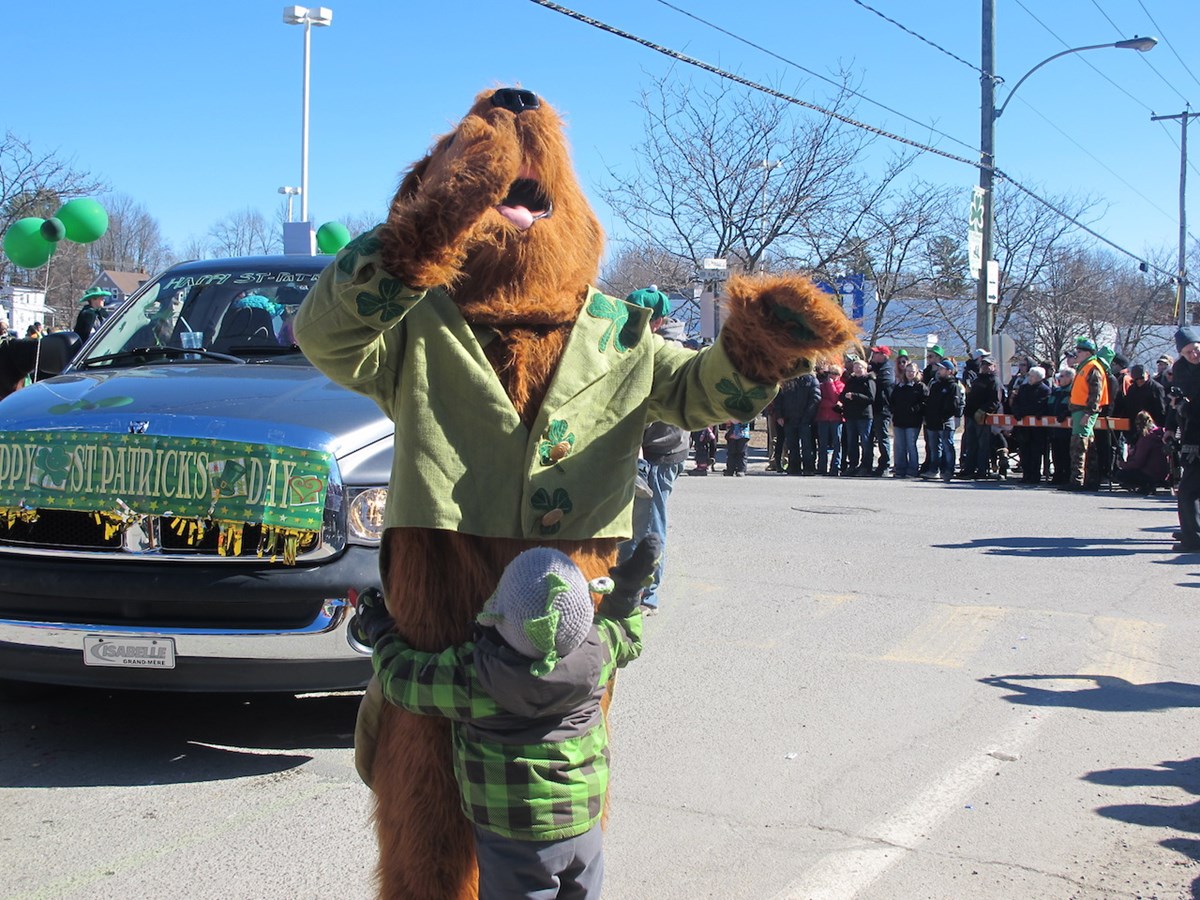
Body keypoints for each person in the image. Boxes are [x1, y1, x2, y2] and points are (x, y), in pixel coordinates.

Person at [351, 538, 658, 900]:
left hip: (515, 838)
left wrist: (379, 629)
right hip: (582, 827)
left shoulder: (478, 681)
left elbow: (402, 680)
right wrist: (629, 590)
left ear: (499, 615)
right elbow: (625, 632)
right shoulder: (597, 654)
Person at [618, 286, 690, 614]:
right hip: (648, 448)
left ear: (657, 322)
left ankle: (647, 595)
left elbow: (648, 406)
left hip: (660, 449)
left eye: (639, 316)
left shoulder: (667, 353)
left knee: (649, 525)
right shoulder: (637, 345)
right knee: (637, 524)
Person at [1059, 338, 1109, 492]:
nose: (1077, 354)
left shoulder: (1093, 367)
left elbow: (1096, 393)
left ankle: (1077, 481)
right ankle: (1091, 481)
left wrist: (1088, 413)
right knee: (1088, 446)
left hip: (1084, 411)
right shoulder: (1085, 366)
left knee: (1078, 446)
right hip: (1079, 411)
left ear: (1088, 353)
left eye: (1080, 351)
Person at [1170, 327, 1200, 551]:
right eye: (1188, 352)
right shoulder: (1180, 368)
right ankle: (1192, 530)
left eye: (1196, 350)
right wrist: (1170, 426)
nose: (1193, 355)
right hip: (1191, 430)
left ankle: (1193, 537)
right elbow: (1176, 398)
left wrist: (1185, 407)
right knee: (1192, 489)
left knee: (1188, 490)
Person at [960, 352, 1002, 478]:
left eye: (988, 365)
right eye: (983, 364)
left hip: (983, 418)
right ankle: (969, 469)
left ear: (994, 366)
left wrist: (984, 410)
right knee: (971, 444)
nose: (985, 367)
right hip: (971, 416)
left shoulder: (994, 381)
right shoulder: (978, 379)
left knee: (983, 445)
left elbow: (995, 401)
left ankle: (982, 470)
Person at [922, 358, 963, 481]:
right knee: (934, 447)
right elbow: (929, 402)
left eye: (942, 369)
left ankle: (948, 470)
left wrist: (945, 415)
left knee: (947, 446)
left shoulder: (953, 386)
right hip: (933, 421)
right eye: (939, 368)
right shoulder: (935, 385)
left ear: (949, 371)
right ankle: (934, 469)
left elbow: (954, 405)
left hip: (946, 421)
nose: (939, 371)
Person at [1113, 411, 1170, 495]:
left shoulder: (1146, 438)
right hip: (1163, 473)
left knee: (1120, 474)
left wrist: (1121, 464)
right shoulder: (1161, 434)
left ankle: (1146, 485)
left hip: (1149, 473)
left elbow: (1138, 463)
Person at [775, 371, 821, 475]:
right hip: (789, 418)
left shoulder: (810, 380)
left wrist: (808, 417)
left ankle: (808, 468)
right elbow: (779, 399)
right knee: (792, 445)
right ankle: (794, 467)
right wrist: (780, 416)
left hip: (806, 420)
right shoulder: (786, 379)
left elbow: (816, 399)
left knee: (807, 445)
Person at [1012, 365, 1051, 485]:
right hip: (1023, 427)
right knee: (1024, 451)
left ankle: (1035, 476)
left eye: (1031, 376)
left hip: (1037, 429)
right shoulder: (1023, 388)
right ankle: (1026, 474)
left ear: (1038, 377)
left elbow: (1040, 405)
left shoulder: (1045, 389)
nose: (1029, 378)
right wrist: (1017, 412)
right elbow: (1016, 402)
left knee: (1035, 452)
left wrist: (1024, 412)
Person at [890, 360, 927, 478]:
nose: (910, 373)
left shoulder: (920, 386)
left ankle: (913, 469)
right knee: (900, 445)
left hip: (913, 421)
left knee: (911, 445)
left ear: (917, 373)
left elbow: (925, 403)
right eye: (908, 371)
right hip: (899, 420)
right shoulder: (899, 386)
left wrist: (915, 409)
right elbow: (892, 401)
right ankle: (900, 469)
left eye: (912, 371)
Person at [840, 358, 875, 476]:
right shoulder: (851, 381)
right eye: (856, 367)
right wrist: (846, 397)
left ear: (865, 369)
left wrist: (854, 396)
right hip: (851, 415)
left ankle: (866, 466)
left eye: (860, 367)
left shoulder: (869, 380)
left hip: (864, 416)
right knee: (851, 441)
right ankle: (853, 465)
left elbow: (871, 398)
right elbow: (842, 396)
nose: (858, 369)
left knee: (865, 441)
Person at [866, 345, 894, 475]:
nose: (874, 355)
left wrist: (870, 376)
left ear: (883, 355)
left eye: (877, 354)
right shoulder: (872, 367)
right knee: (868, 438)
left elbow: (884, 382)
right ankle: (867, 464)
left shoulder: (887, 369)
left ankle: (884, 465)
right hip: (870, 408)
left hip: (882, 408)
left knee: (882, 437)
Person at [815, 363, 845, 476]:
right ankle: (821, 466)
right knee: (822, 444)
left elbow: (835, 398)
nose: (833, 376)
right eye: (831, 373)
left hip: (836, 418)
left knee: (837, 443)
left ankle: (835, 467)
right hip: (823, 417)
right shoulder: (822, 386)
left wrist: (831, 386)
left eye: (836, 374)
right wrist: (831, 404)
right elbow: (820, 401)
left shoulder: (842, 386)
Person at [1049, 367, 1075, 484]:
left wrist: (1066, 413)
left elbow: (1073, 407)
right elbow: (1049, 404)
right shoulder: (1057, 391)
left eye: (1063, 376)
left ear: (1070, 378)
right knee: (1056, 453)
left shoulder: (1073, 391)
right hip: (1054, 428)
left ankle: (1066, 476)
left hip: (1068, 430)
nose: (1060, 379)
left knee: (1066, 453)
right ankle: (1058, 474)